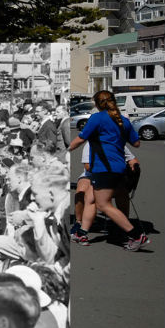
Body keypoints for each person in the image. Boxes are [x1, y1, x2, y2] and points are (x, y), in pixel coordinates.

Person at [68, 90, 146, 251]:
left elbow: (81, 138)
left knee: (103, 205)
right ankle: (82, 232)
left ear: (97, 104)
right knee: (92, 198)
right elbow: (136, 143)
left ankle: (136, 235)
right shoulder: (123, 121)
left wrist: (66, 150)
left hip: (104, 168)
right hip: (119, 168)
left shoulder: (97, 118)